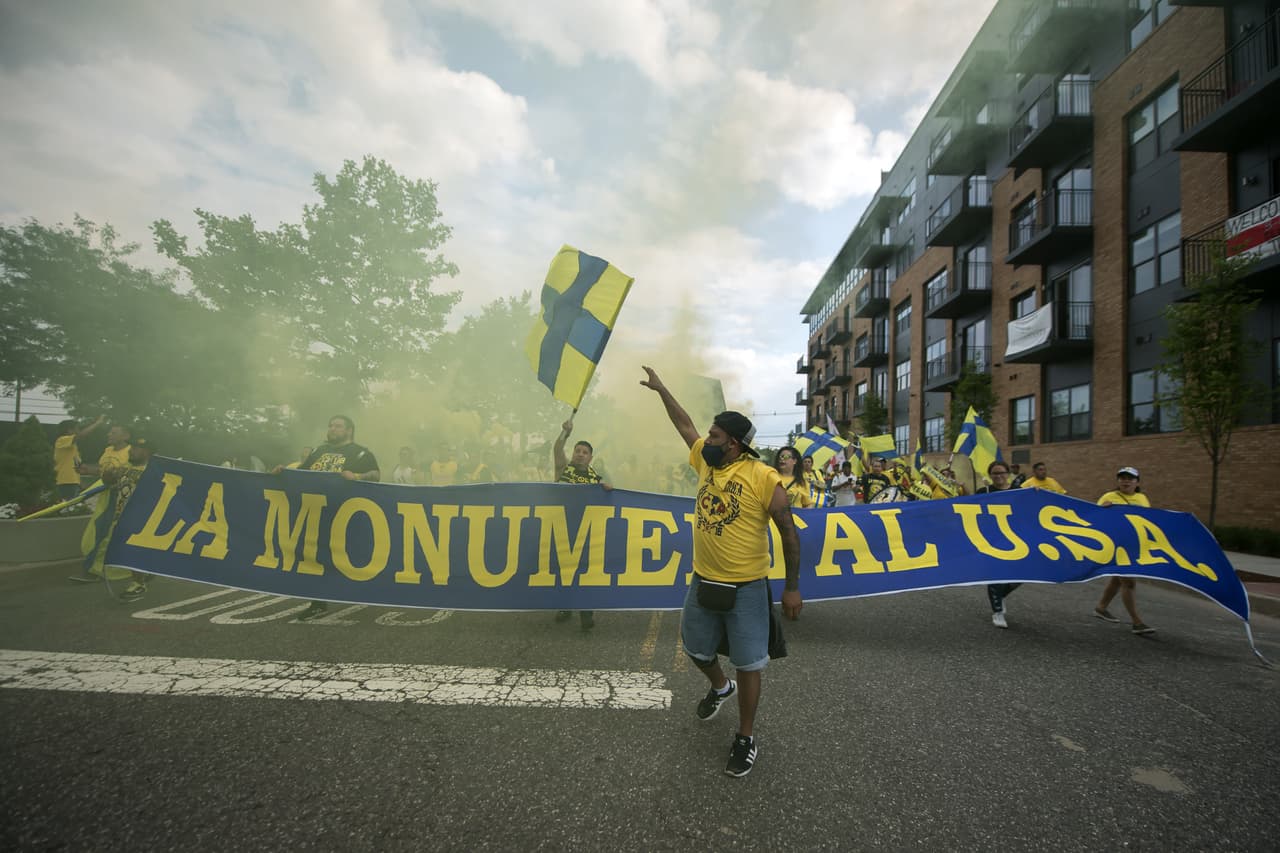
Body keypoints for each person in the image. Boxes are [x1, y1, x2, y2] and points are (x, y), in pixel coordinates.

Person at [641, 366, 800, 778]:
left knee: (749, 663)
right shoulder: (707, 463)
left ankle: (745, 737)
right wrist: (662, 389)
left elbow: (787, 529)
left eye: (714, 437)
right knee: (695, 649)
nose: (704, 441)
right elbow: (684, 424)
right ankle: (718, 686)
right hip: (703, 580)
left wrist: (792, 588)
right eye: (708, 436)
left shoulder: (763, 477)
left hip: (747, 588)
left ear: (733, 444)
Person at [272, 415, 380, 622]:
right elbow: (301, 473)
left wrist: (357, 476)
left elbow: (376, 474)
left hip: (345, 514)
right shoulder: (319, 451)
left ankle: (363, 592)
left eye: (338, 426)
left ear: (349, 430)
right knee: (314, 558)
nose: (332, 429)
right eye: (330, 425)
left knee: (350, 557)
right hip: (315, 513)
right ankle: (317, 603)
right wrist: (283, 472)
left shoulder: (361, 453)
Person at [74, 436, 158, 600]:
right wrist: (110, 474)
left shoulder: (154, 470)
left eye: (137, 448)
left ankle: (139, 584)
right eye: (132, 447)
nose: (132, 450)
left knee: (133, 549)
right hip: (122, 516)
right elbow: (108, 481)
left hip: (143, 517)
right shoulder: (125, 467)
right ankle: (144, 574)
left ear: (147, 452)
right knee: (128, 550)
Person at [551, 416, 613, 631]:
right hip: (561, 528)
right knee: (563, 570)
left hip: (587, 532)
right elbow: (557, 450)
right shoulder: (563, 469)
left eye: (585, 452)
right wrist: (564, 433)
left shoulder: (596, 477)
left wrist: (607, 488)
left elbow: (608, 495)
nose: (580, 454)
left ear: (590, 457)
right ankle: (565, 606)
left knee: (586, 571)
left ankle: (586, 612)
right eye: (578, 450)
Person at [1093, 466, 1156, 635]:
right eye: (1122, 478)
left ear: (1137, 482)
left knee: (1117, 579)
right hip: (1115, 545)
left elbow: (1148, 522)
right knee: (1128, 581)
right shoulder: (1109, 497)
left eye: (1130, 478)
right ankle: (1137, 622)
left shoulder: (1142, 498)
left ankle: (1101, 607)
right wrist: (1102, 510)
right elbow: (1093, 519)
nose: (1125, 481)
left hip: (1133, 546)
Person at [977, 461, 1020, 629]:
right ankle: (997, 612)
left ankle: (1000, 596)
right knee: (997, 576)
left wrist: (1036, 494)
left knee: (1021, 576)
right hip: (992, 540)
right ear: (990, 475)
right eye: (994, 473)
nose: (998, 476)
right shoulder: (984, 492)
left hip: (1016, 539)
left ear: (1008, 473)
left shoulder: (1019, 492)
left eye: (1001, 472)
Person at [52, 415, 105, 500]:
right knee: (69, 507)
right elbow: (81, 435)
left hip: (72, 481)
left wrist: (79, 481)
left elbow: (78, 465)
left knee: (72, 506)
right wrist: (97, 423)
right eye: (77, 429)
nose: (79, 431)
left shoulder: (72, 447)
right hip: (65, 481)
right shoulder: (62, 440)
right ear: (69, 430)